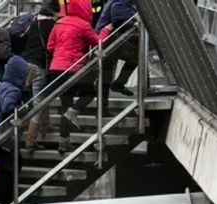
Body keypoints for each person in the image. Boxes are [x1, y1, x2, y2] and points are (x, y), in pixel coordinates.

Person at [47, 0, 101, 152]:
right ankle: (72, 113)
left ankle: (63, 142)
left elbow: (50, 46)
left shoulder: (59, 23)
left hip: (56, 69)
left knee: (65, 104)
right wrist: (106, 30)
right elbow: (98, 42)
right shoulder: (84, 25)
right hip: (73, 68)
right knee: (90, 92)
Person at [0, 56, 33, 202]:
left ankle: (0, 199)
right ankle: (2, 202)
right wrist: (23, 109)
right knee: (10, 169)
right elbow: (8, 107)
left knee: (8, 167)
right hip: (3, 139)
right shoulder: (14, 91)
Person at [21, 0, 60, 148]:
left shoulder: (32, 24)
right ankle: (30, 139)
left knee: (41, 97)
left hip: (28, 65)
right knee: (39, 101)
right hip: (39, 67)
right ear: (53, 13)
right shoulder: (52, 26)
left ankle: (44, 126)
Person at [95, 0, 138, 101]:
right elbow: (117, 10)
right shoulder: (120, 2)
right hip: (107, 39)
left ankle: (103, 107)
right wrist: (135, 16)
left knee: (106, 75)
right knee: (135, 57)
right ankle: (118, 83)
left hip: (105, 38)